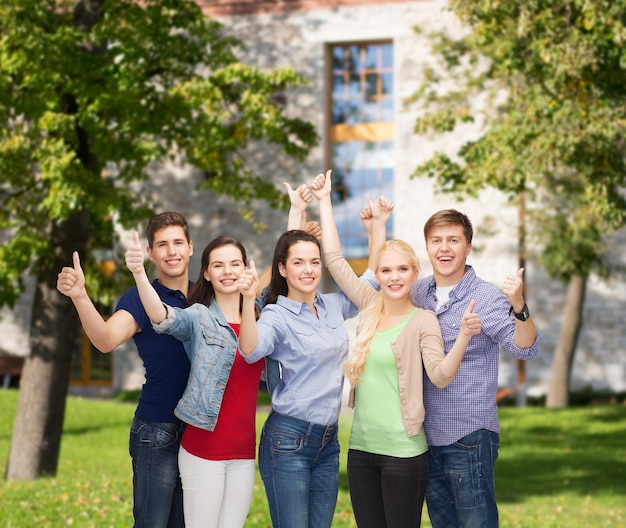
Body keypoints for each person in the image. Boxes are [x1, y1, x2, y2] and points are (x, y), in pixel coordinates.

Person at [124, 183, 315, 528]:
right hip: (203, 451)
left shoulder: (257, 312)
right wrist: (139, 274)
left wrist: (296, 210)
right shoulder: (198, 317)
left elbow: (281, 261)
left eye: (235, 264)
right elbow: (161, 316)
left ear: (246, 270)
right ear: (208, 273)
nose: (228, 271)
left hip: (243, 452)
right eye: (219, 265)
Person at [310, 170, 481, 527]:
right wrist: (325, 201)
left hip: (404, 453)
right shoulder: (369, 305)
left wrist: (463, 336)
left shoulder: (423, 320)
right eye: (386, 270)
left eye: (402, 269)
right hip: (361, 450)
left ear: (414, 273)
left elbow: (440, 375)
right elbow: (335, 261)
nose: (394, 276)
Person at [363, 207, 541, 528]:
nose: (444, 248)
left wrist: (519, 306)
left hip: (469, 437)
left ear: (468, 247)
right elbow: (379, 278)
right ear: (428, 247)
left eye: (453, 240)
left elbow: (526, 348)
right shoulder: (418, 293)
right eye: (436, 240)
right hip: (425, 439)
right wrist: (377, 228)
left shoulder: (485, 297)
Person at [57, 212, 194, 528]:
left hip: (200, 432)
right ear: (150, 253)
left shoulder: (207, 294)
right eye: (162, 245)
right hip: (158, 430)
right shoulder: (139, 298)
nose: (171, 251)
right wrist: (80, 296)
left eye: (177, 242)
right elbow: (105, 340)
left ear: (190, 247)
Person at [237, 224, 360, 528]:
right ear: (282, 268)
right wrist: (247, 299)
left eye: (315, 262)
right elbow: (250, 350)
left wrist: (375, 227)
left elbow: (372, 286)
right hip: (287, 441)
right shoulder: (275, 316)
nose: (309, 270)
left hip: (328, 443)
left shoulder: (332, 304)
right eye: (298, 262)